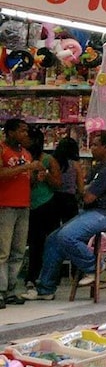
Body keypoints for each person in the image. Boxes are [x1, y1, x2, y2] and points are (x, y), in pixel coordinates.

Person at [22, 131, 106, 301]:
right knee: (52, 239)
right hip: (93, 211)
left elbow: (87, 196)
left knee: (67, 236)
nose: (91, 148)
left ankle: (94, 266)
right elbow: (85, 190)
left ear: (105, 148)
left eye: (94, 145)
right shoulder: (99, 166)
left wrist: (84, 192)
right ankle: (46, 288)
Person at [0, 119, 42, 307]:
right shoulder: (2, 149)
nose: (26, 134)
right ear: (10, 132)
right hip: (5, 205)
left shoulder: (26, 154)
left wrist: (36, 177)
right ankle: (0, 290)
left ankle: (10, 288)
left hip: (23, 205)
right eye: (22, 131)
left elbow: (28, 182)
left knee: (18, 251)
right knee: (3, 250)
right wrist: (26, 167)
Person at [25, 127, 62, 296]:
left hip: (47, 205)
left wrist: (45, 175)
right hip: (28, 205)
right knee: (33, 245)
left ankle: (46, 279)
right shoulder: (24, 159)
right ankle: (32, 277)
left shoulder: (48, 160)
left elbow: (58, 183)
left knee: (47, 243)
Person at [52, 137, 85, 224]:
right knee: (69, 228)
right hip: (69, 200)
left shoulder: (53, 163)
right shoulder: (75, 165)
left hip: (53, 198)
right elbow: (81, 188)